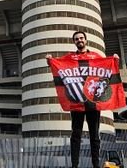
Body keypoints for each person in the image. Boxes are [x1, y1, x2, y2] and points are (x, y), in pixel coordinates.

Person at [46, 31, 119, 168]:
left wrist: (115, 60)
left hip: (93, 102)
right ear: (74, 42)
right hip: (76, 102)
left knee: (94, 135)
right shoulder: (69, 57)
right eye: (76, 39)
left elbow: (107, 70)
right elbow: (57, 65)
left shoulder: (96, 56)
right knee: (76, 135)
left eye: (81, 38)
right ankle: (75, 165)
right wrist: (49, 61)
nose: (79, 40)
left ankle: (95, 165)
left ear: (86, 40)